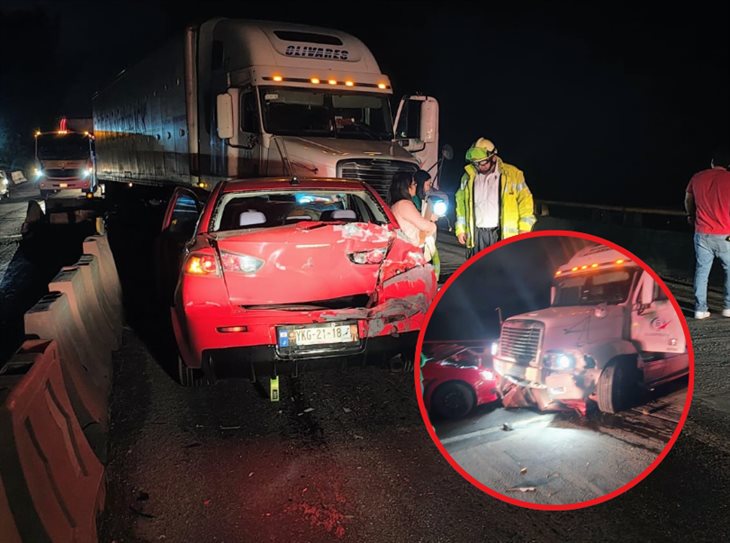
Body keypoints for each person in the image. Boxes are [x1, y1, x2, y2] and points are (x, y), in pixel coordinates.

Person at [454, 137, 536, 258]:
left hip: (502, 234)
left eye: (482, 162)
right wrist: (460, 229)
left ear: (493, 157)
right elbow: (460, 204)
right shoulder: (467, 177)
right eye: (475, 163)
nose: (479, 167)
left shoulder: (512, 174)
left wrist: (524, 229)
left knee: (503, 271)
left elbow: (525, 202)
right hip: (477, 234)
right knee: (478, 269)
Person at [684, 143, 730, 320]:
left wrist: (690, 215)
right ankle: (728, 307)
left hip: (702, 232)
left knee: (702, 271)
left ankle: (700, 309)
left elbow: (688, 198)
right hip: (726, 234)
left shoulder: (697, 177)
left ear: (712, 162)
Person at [389, 171, 437, 255]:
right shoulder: (404, 204)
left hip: (403, 248)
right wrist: (433, 226)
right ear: (407, 187)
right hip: (410, 249)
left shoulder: (395, 205)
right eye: (414, 184)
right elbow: (425, 226)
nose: (416, 186)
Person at [412, 169, 441, 279]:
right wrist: (429, 219)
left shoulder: (423, 199)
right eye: (428, 183)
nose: (430, 186)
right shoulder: (414, 200)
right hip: (419, 240)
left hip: (425, 239)